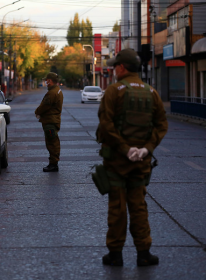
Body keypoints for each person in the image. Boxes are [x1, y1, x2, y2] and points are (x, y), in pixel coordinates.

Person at [96, 48, 168, 266]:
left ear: (121, 68)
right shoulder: (151, 92)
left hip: (118, 162)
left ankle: (116, 254)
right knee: (139, 207)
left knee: (117, 208)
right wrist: (146, 149)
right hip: (141, 163)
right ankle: (144, 253)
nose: (114, 70)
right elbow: (161, 124)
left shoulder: (114, 90)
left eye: (115, 66)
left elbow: (106, 125)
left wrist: (125, 148)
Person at [35, 72, 64, 172]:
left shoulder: (52, 93)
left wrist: (37, 112)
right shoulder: (57, 90)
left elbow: (45, 106)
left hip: (50, 122)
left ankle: (53, 164)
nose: (46, 81)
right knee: (54, 141)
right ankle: (53, 163)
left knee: (52, 143)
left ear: (50, 81)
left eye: (47, 80)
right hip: (53, 120)